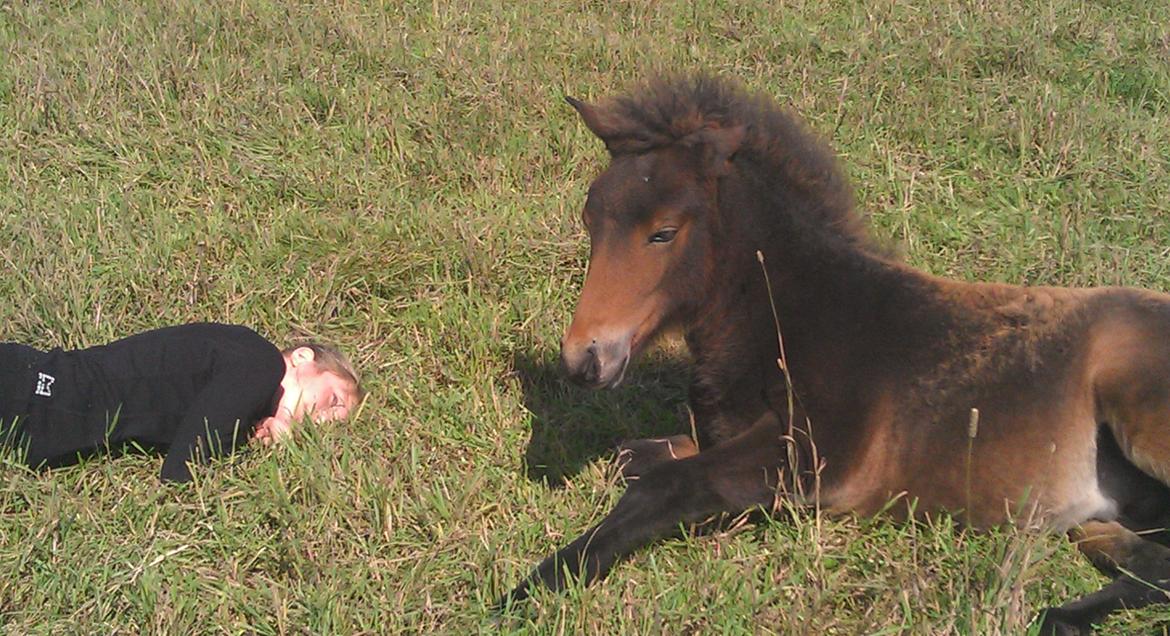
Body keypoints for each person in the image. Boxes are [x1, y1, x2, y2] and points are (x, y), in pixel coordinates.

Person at [0, 322, 363, 482]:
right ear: (302, 357)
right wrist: (277, 427)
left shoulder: (242, 370)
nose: (324, 418)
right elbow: (184, 465)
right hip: (30, 396)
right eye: (333, 399)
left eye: (335, 420)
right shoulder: (260, 362)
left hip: (33, 397)